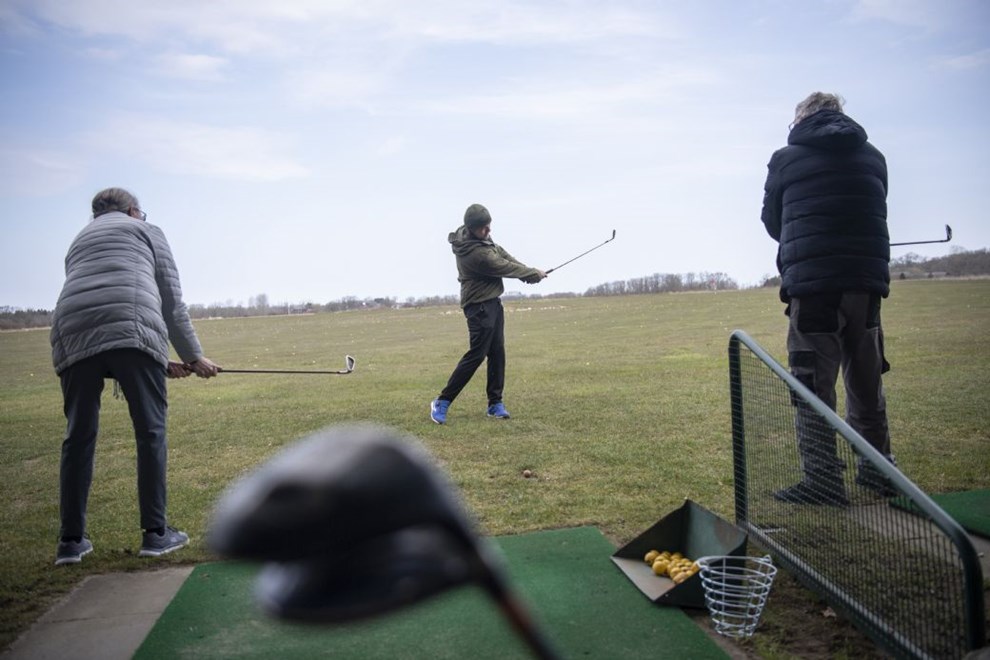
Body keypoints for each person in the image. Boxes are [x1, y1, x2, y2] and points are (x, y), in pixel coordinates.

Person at [50, 187, 220, 565]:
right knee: (151, 431)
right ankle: (156, 534)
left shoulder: (79, 240)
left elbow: (102, 329)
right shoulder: (146, 230)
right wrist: (194, 357)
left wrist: (159, 361)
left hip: (71, 333)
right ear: (132, 210)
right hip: (131, 326)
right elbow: (170, 302)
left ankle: (70, 542)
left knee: (78, 436)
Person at [760, 92, 895, 506]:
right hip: (866, 284)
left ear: (800, 119)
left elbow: (773, 221)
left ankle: (822, 480)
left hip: (815, 288)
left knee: (811, 385)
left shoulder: (785, 158)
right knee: (866, 382)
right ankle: (878, 471)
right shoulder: (874, 156)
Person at [430, 204, 546, 424]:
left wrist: (528, 272)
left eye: (489, 226)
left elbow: (501, 253)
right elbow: (500, 265)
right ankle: (442, 401)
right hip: (478, 307)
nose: (488, 231)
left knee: (497, 353)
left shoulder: (478, 237)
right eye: (484, 228)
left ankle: (495, 404)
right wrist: (531, 273)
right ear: (472, 228)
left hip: (492, 303)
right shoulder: (475, 253)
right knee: (476, 355)